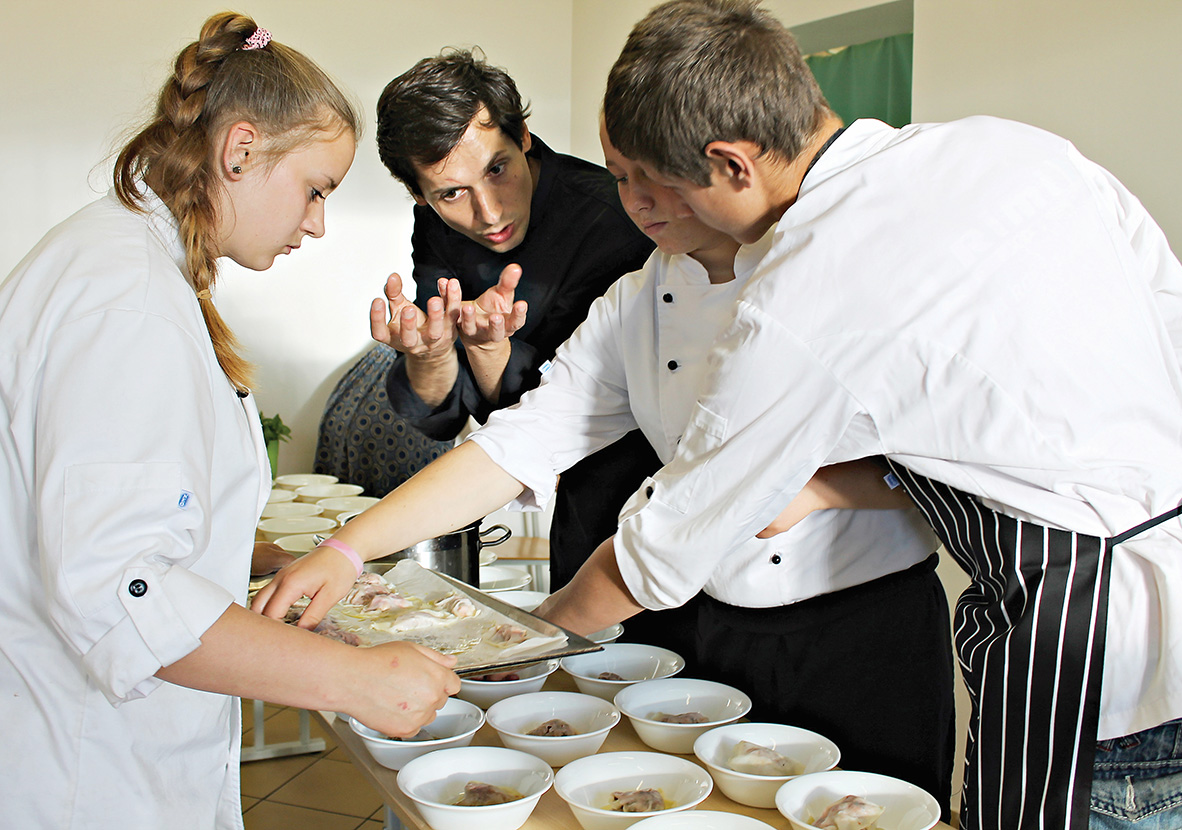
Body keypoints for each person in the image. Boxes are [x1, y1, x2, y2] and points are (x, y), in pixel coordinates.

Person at [584, 1, 1182, 828]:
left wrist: (518, 651)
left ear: (731, 164)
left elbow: (660, 551)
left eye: (669, 186)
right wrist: (828, 486)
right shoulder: (1011, 147)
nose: (663, 212)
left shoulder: (805, 284)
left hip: (1097, 665)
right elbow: (1172, 346)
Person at [252, 115, 958, 808]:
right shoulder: (640, 299)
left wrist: (821, 491)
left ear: (724, 167)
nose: (638, 201)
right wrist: (349, 549)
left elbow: (950, 457)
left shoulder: (834, 274)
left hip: (861, 632)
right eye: (622, 178)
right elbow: (517, 442)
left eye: (655, 176)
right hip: (709, 624)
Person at [0, 15, 458, 829]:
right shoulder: (126, 301)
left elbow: (101, 507)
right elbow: (119, 591)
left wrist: (260, 554)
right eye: (316, 189)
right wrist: (354, 680)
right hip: (86, 774)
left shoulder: (127, 265)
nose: (317, 222)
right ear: (239, 151)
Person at [370, 49, 660, 590]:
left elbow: (574, 408)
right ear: (419, 195)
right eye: (452, 193)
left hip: (645, 484)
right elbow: (442, 414)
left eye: (497, 169)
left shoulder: (616, 223)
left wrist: (490, 352)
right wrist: (431, 354)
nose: (489, 212)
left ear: (523, 135)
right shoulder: (435, 226)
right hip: (554, 494)